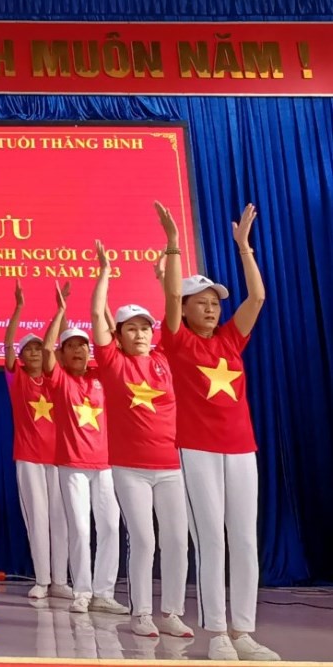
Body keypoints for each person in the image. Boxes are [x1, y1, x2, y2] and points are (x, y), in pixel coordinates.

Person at [158, 203, 277, 661]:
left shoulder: (230, 339)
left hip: (241, 448)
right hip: (196, 449)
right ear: (185, 309)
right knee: (211, 539)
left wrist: (244, 248)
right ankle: (218, 633)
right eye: (201, 303)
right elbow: (170, 296)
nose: (210, 309)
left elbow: (257, 299)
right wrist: (173, 246)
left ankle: (244, 631)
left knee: (244, 539)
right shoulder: (176, 340)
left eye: (214, 303)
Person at [89, 233, 192, 640]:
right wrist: (104, 274)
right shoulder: (112, 362)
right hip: (130, 468)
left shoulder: (165, 358)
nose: (141, 334)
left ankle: (172, 613)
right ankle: (141, 613)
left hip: (171, 466)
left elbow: (174, 309)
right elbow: (97, 315)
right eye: (131, 329)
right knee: (144, 540)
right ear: (119, 335)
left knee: (177, 541)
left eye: (145, 328)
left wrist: (164, 274)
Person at [41, 283, 127, 616]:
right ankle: (82, 591)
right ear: (63, 354)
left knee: (110, 527)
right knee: (79, 528)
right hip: (72, 466)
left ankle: (104, 592)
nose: (78, 350)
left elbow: (117, 345)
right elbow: (46, 349)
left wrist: (105, 308)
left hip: (106, 465)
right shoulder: (60, 380)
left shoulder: (102, 376)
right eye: (71, 346)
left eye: (83, 345)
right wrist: (60, 312)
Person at [3, 280, 73, 601]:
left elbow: (60, 343)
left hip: (59, 458)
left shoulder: (56, 378)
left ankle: (60, 580)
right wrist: (18, 307)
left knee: (61, 519)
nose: (34, 352)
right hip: (29, 457)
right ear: (21, 356)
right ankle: (42, 580)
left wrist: (61, 310)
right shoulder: (16, 378)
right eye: (28, 349)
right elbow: (8, 345)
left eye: (37, 348)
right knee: (38, 519)